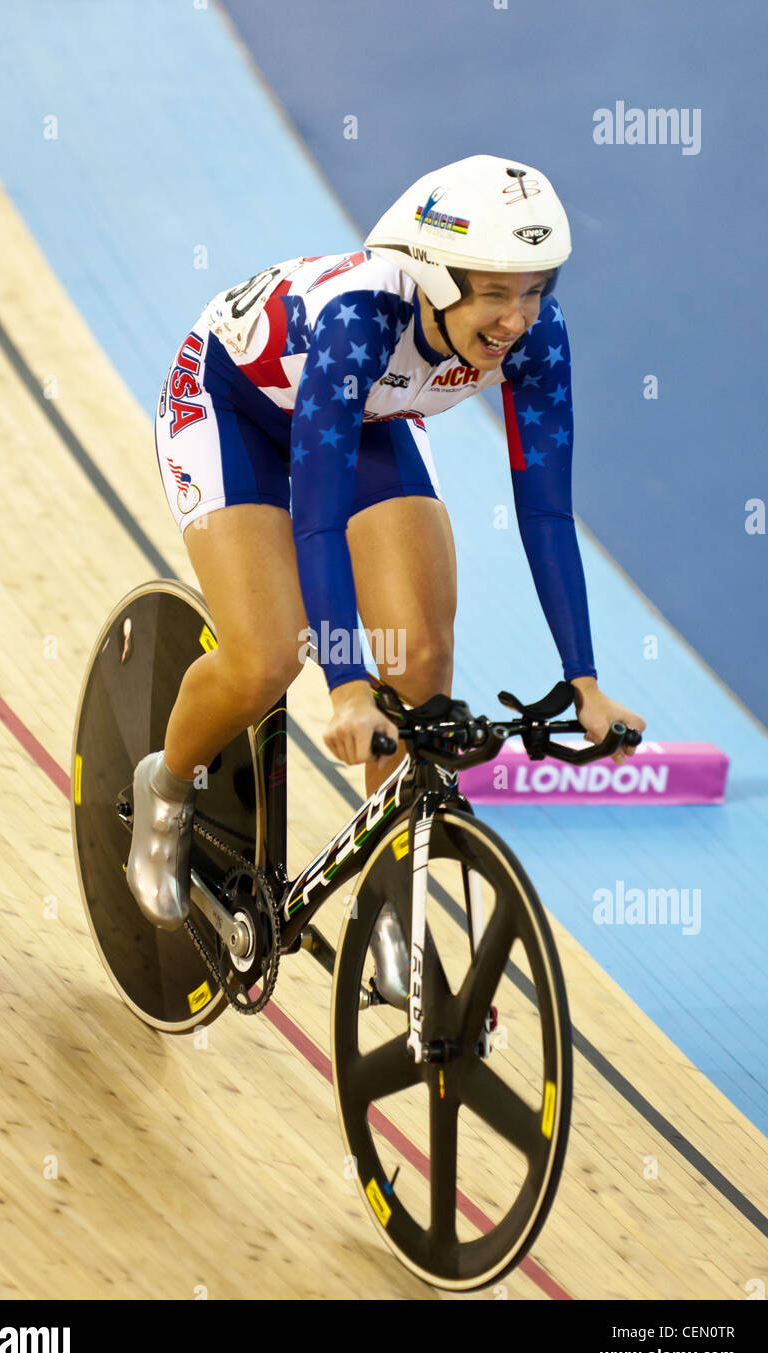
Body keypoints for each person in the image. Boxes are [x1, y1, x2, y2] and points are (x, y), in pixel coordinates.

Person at [125, 153, 646, 984]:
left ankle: (387, 905)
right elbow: (319, 516)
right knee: (268, 653)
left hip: (368, 413)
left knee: (421, 662)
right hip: (232, 405)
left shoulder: (539, 337)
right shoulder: (361, 318)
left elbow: (545, 510)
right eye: (495, 291)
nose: (518, 318)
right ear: (438, 278)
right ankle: (167, 790)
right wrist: (344, 686)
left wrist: (583, 681)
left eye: (535, 288)